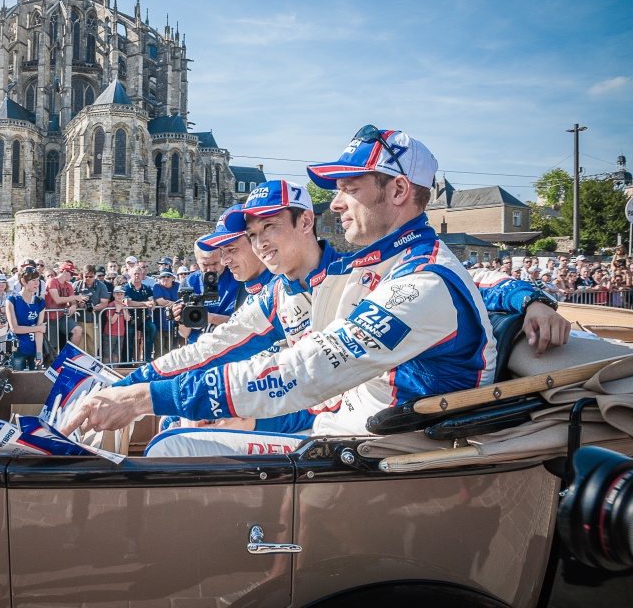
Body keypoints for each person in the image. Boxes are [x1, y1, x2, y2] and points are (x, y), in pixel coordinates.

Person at [63, 127, 568, 439]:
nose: (336, 203)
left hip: (384, 449)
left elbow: (306, 368)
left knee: (175, 442)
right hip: (347, 428)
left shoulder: (420, 279)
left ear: (397, 190)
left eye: (350, 188)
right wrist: (130, 384)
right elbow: (221, 346)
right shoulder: (386, 266)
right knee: (180, 432)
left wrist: (146, 398)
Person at [5, 267, 46, 370]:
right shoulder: (12, 300)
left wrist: (39, 353)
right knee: (17, 381)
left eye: (38, 280)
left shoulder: (40, 302)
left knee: (36, 380)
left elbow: (40, 331)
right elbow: (15, 328)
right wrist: (37, 328)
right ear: (23, 281)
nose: (37, 283)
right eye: (33, 280)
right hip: (17, 348)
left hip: (33, 347)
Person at [73, 264, 111, 355]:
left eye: (91, 276)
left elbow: (105, 302)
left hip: (94, 322)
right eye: (86, 276)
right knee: (79, 349)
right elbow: (71, 302)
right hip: (79, 322)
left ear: (94, 275)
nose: (88, 278)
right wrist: (79, 304)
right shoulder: (76, 285)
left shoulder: (101, 286)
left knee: (93, 348)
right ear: (82, 275)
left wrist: (95, 307)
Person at [122, 266, 156, 362]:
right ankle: (127, 363)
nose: (137, 276)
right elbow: (129, 302)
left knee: (152, 328)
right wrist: (144, 304)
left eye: (139, 274)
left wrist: (152, 304)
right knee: (129, 341)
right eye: (135, 274)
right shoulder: (126, 288)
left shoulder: (147, 288)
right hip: (131, 319)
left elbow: (151, 300)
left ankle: (147, 360)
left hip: (144, 318)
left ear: (142, 275)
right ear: (130, 275)